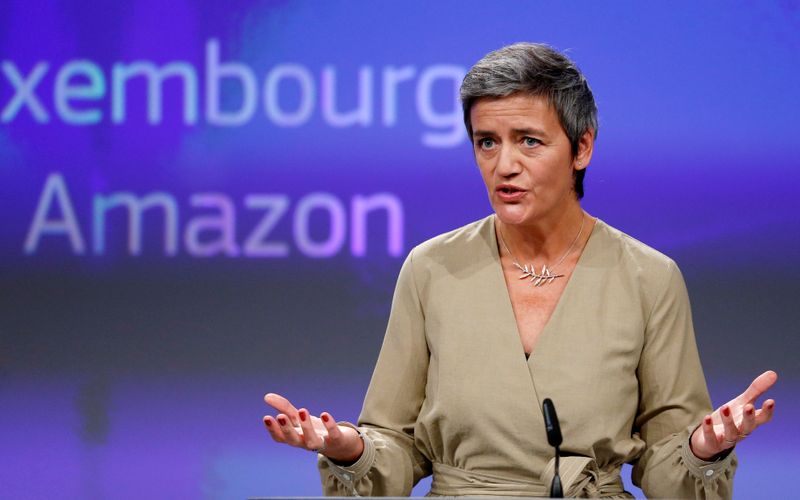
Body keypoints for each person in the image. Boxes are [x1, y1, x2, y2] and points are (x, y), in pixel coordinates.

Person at [262, 43, 777, 498]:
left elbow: (668, 470)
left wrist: (704, 448)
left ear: (582, 148)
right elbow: (395, 448)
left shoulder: (649, 278)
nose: (504, 164)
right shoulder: (432, 268)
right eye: (487, 142)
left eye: (529, 141)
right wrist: (350, 449)